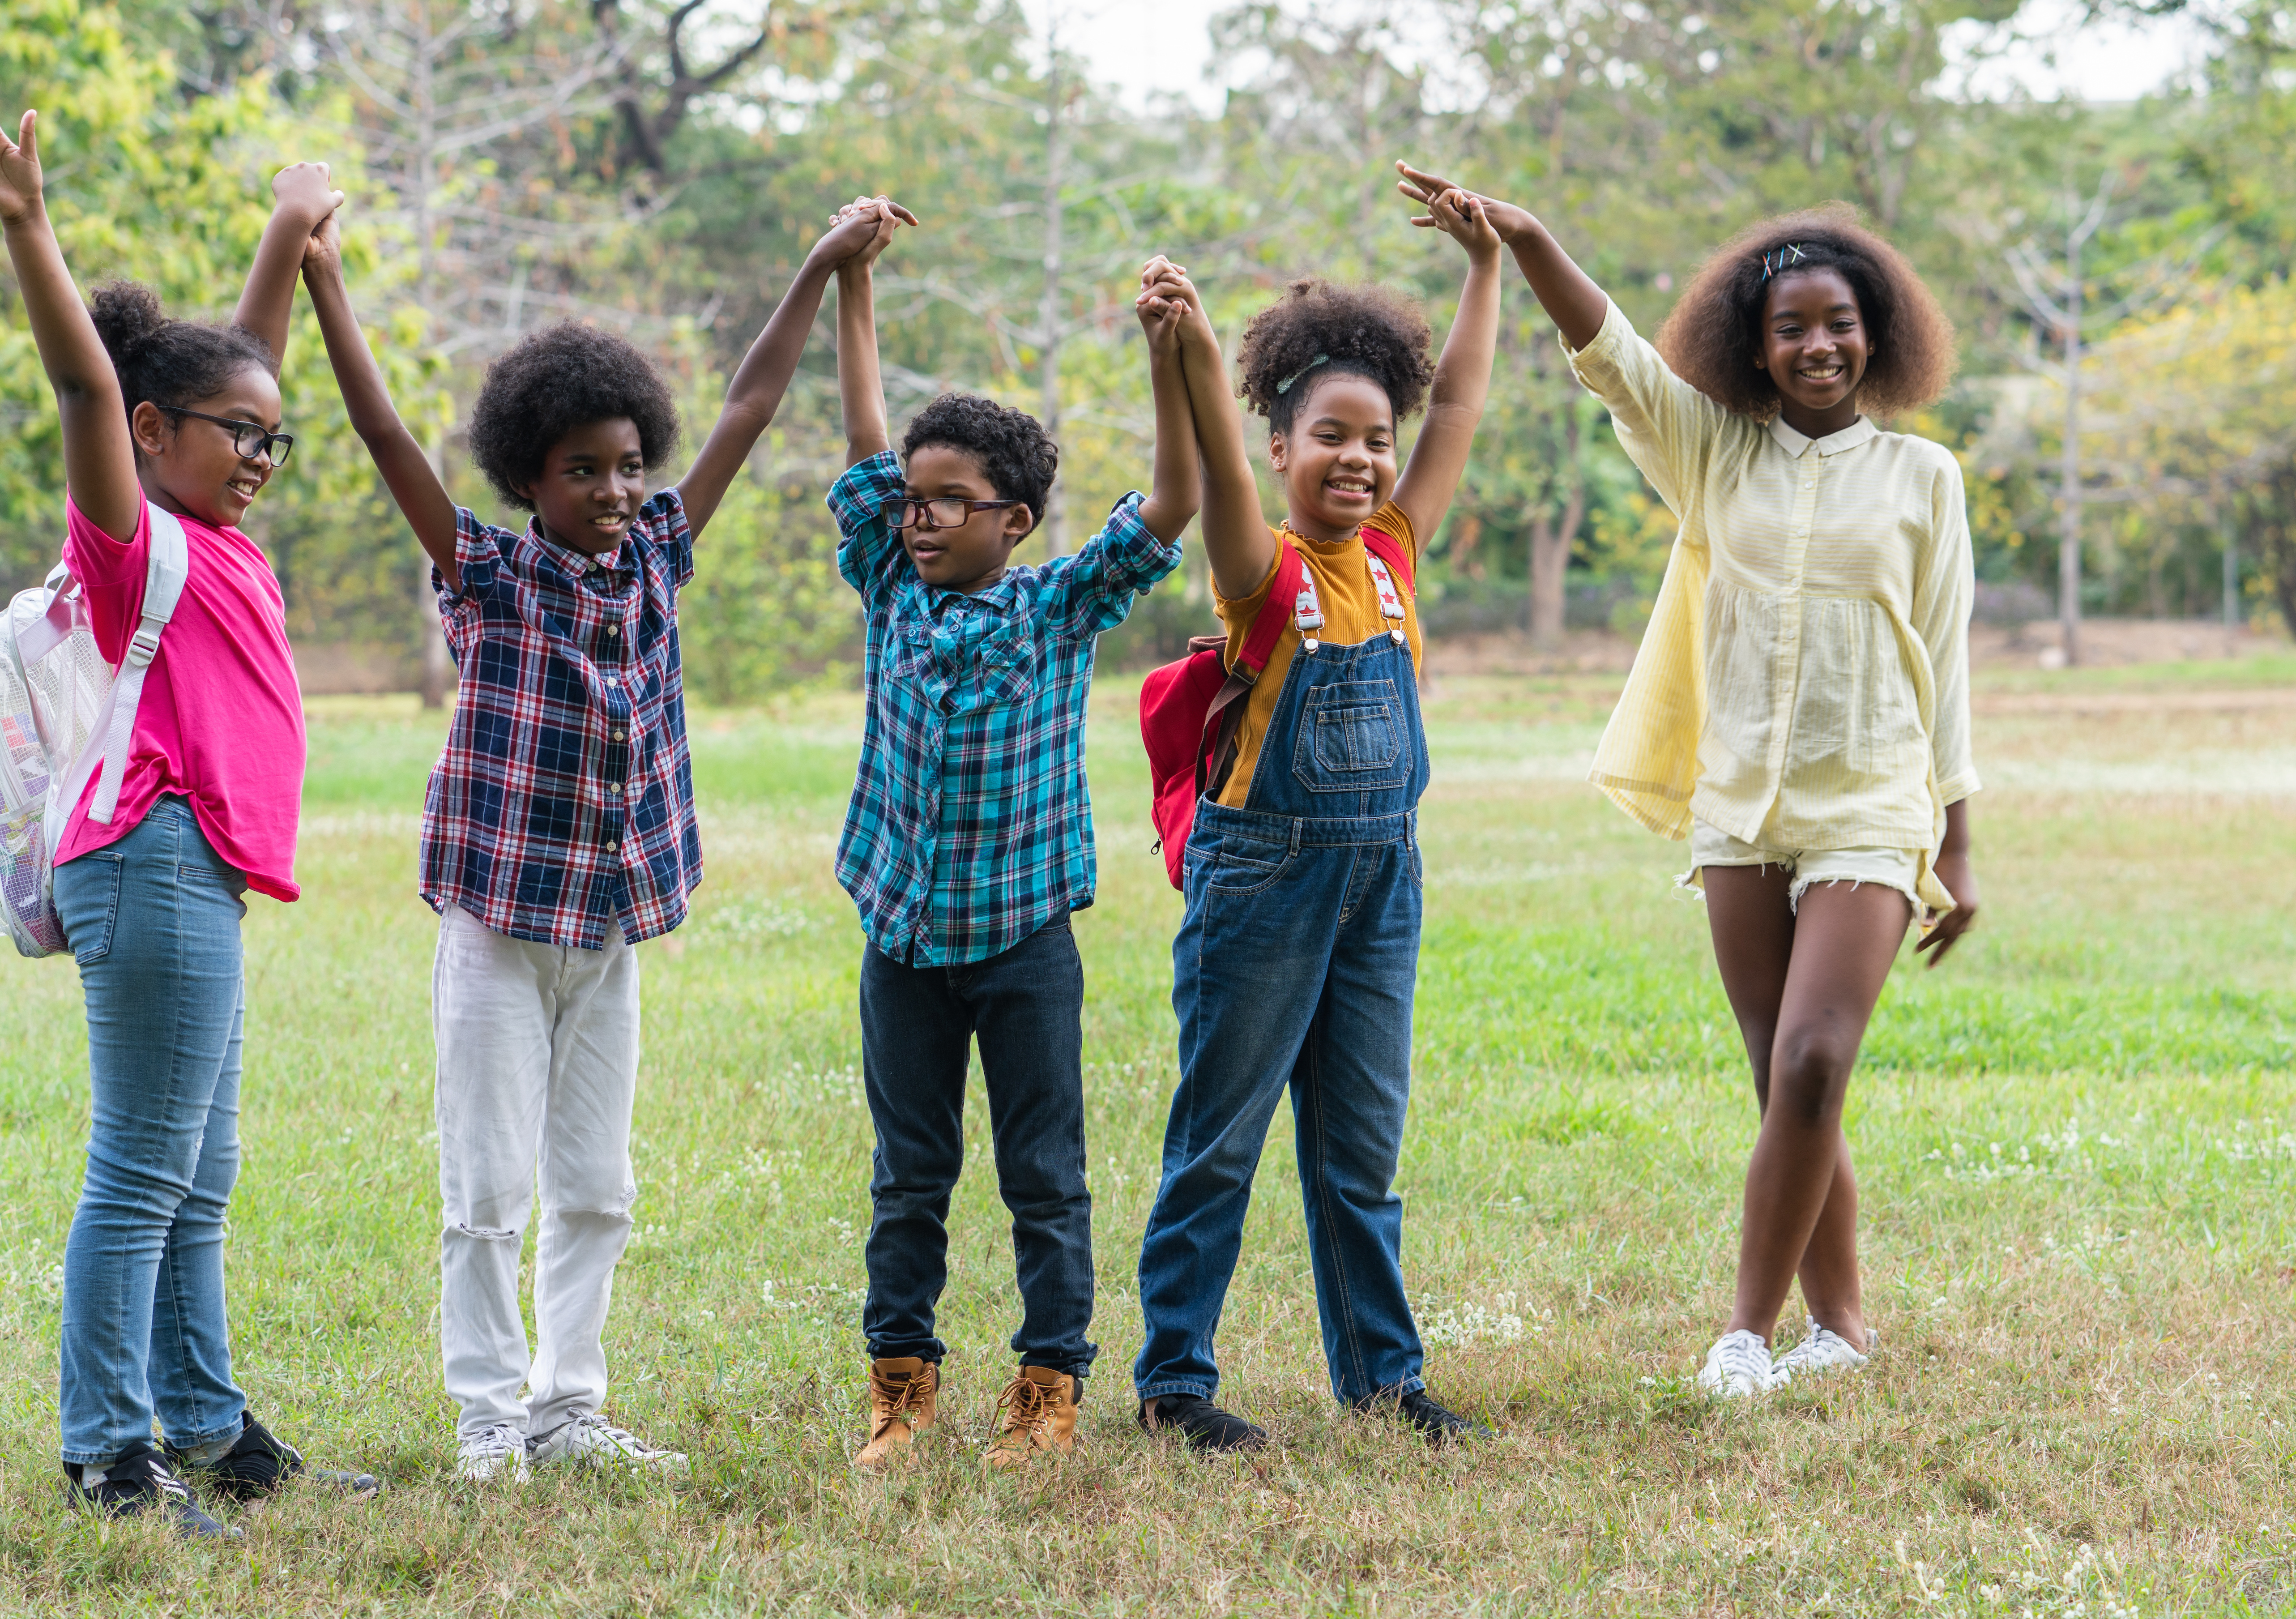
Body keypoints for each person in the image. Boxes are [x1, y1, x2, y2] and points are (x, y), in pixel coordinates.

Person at [303, 193, 907, 1483]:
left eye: (630, 463)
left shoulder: (655, 557)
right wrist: (327, 286)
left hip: (611, 928)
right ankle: (487, 1414)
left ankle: (569, 1405)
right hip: (501, 930)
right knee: (488, 1191)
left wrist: (812, 263)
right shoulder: (489, 574)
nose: (617, 489)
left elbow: (747, 405)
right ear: (529, 477)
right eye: (585, 469)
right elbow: (383, 433)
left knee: (596, 1184)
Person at [1410, 169, 1979, 1400]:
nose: (1818, 344)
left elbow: (1947, 660)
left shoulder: (1925, 478)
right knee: (1781, 1070)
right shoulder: (1713, 449)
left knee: (1817, 1060)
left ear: (1875, 334)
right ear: (1757, 349)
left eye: (1838, 323)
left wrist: (1961, 841)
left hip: (1873, 802)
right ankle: (1845, 1327)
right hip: (1739, 810)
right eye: (1792, 329)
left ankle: (1744, 1333)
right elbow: (1609, 352)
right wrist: (1531, 236)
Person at [0, 98, 373, 1535]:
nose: (258, 454)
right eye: (235, 436)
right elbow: (87, 390)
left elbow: (235, 376)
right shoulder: (132, 544)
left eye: (275, 443)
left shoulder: (216, 525)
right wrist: (28, 224)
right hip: (153, 855)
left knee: (199, 1167)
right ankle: (110, 1456)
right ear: (152, 432)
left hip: (198, 876)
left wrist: (286, 236)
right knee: (143, 1166)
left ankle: (210, 1422)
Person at [1125, 167, 1505, 1455]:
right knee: (1219, 1140)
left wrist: (1485, 270)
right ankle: (1176, 1379)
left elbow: (1454, 397)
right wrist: (1181, 350)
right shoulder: (1259, 569)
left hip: (1378, 878)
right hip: (1263, 879)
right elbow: (1221, 475)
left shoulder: (1394, 549)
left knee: (1362, 1152)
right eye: (1329, 435)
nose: (1361, 455)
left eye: (1375, 437)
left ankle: (1383, 1379)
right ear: (1281, 448)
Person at [828, 201, 1199, 1469]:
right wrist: (851, 285)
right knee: (908, 1174)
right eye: (914, 503)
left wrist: (1168, 352)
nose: (920, 518)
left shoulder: (1059, 608)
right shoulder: (887, 582)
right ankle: (902, 1381)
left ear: (1014, 522)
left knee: (1045, 1171)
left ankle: (1049, 1384)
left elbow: (1177, 497)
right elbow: (868, 434)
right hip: (905, 937)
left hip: (1026, 941)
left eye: (950, 502)